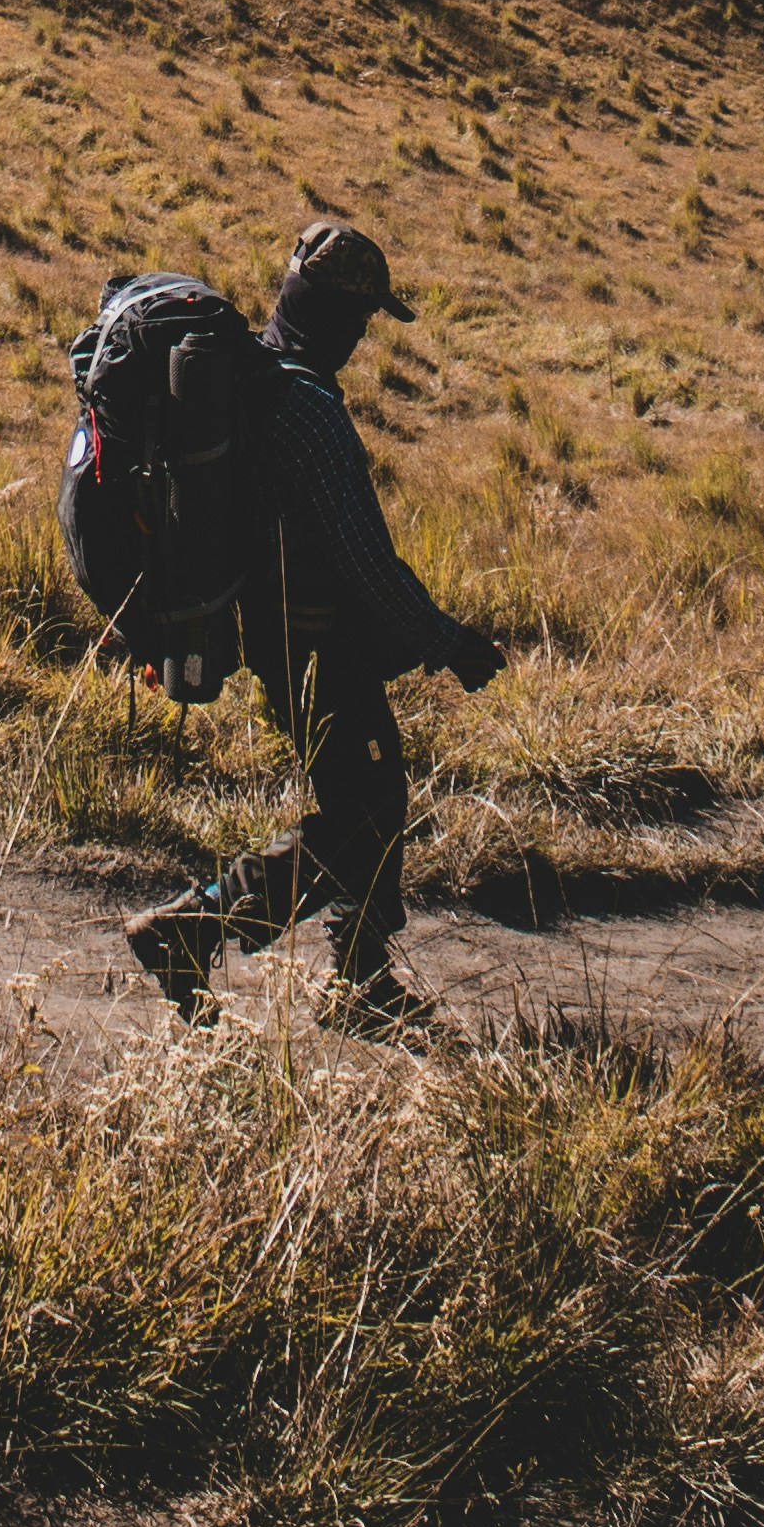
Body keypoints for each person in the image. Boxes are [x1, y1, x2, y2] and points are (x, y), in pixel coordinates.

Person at [124, 216, 505, 1035]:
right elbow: (366, 562)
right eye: (363, 320)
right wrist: (449, 644)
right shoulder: (308, 412)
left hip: (279, 639)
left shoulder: (255, 383)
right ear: (334, 315)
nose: (365, 338)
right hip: (320, 645)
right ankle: (194, 931)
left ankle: (360, 979)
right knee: (359, 817)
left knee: (372, 798)